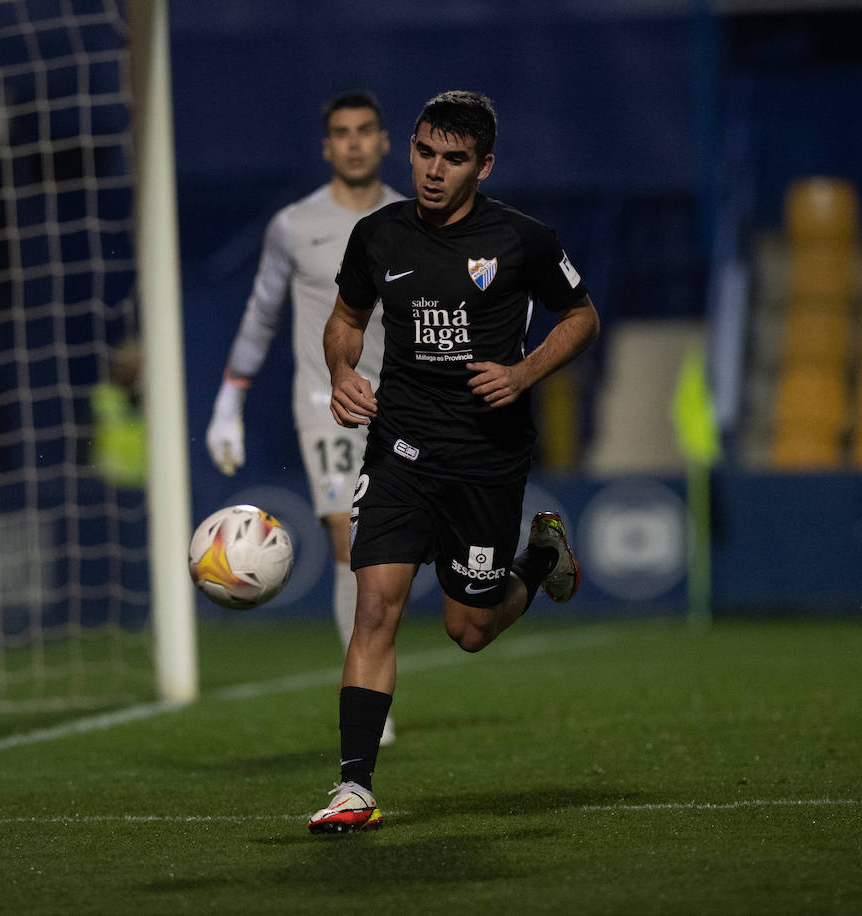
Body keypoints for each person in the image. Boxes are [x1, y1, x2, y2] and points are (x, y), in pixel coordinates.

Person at [308, 90, 601, 833]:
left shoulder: (523, 239)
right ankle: (353, 787)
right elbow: (344, 321)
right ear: (409, 148)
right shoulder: (377, 237)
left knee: (468, 630)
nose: (435, 171)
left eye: (456, 159)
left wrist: (525, 372)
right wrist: (342, 374)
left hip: (485, 457)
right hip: (400, 445)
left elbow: (582, 316)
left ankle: (538, 559)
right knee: (375, 606)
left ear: (485, 165)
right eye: (426, 152)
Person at [206, 91, 404, 743]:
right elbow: (262, 312)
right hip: (328, 404)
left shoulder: (416, 220)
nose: (352, 142)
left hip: (407, 403)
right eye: (340, 133)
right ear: (327, 147)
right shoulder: (294, 225)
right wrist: (229, 400)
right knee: (353, 541)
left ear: (382, 141)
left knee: (406, 555)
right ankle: (369, 698)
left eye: (364, 131)